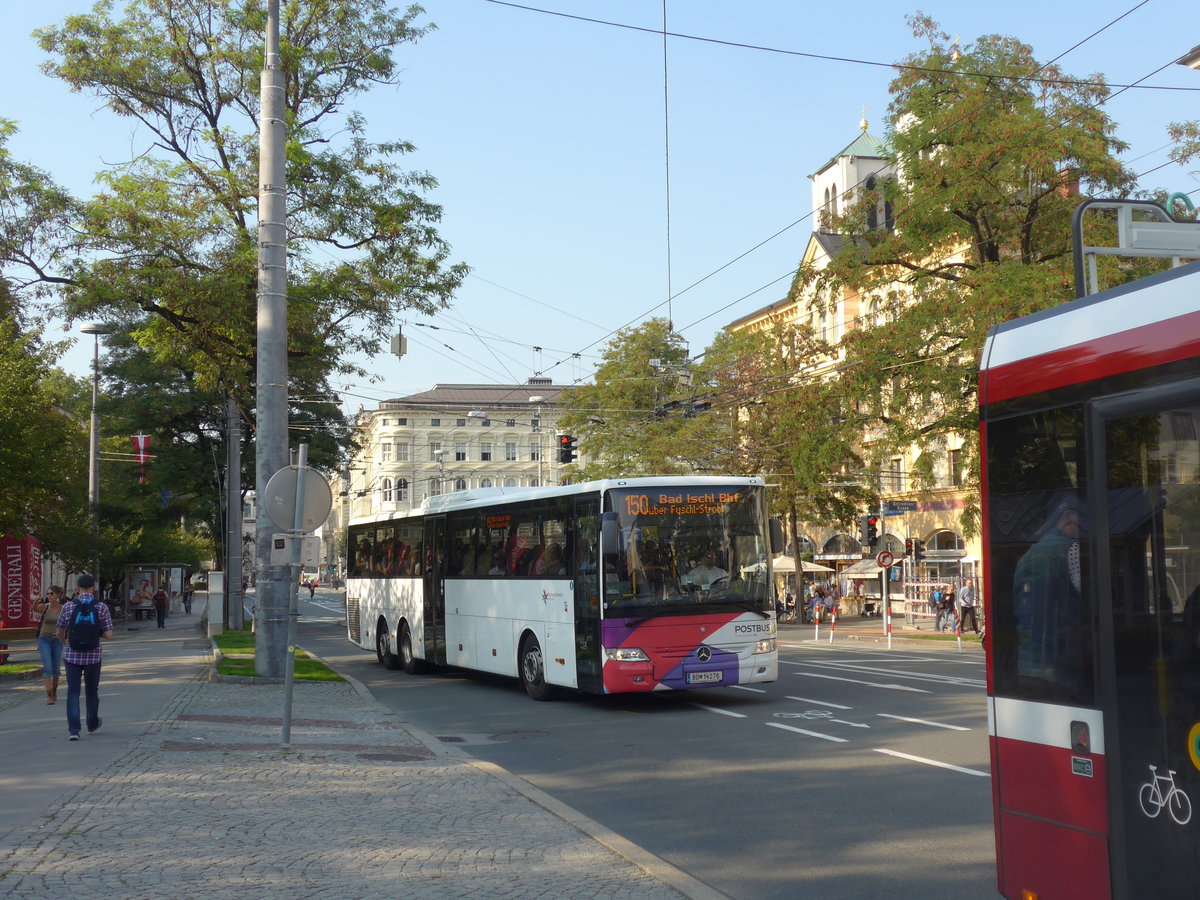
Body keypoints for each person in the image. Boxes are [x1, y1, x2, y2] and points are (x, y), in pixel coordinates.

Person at [1013, 494, 1088, 691]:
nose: (1083, 532)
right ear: (1068, 519)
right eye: (1082, 524)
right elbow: (1084, 600)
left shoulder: (1029, 555)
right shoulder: (1071, 550)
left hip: (1028, 663)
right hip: (1059, 664)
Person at [55, 574, 114, 741]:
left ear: (77, 589)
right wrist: (96, 633)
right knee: (91, 691)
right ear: (94, 588)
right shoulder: (101, 607)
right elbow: (109, 635)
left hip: (72, 655)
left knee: (73, 692)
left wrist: (65, 641)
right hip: (93, 656)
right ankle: (92, 723)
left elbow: (59, 630)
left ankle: (74, 730)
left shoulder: (68, 606)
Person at [32, 586, 65, 704]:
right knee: (48, 668)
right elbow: (35, 609)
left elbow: (66, 624)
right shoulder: (45, 607)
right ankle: (49, 695)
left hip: (57, 640)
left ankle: (54, 691)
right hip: (44, 639)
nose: (49, 596)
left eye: (51, 594)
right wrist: (35, 602)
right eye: (48, 594)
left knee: (56, 669)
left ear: (58, 595)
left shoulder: (63, 609)